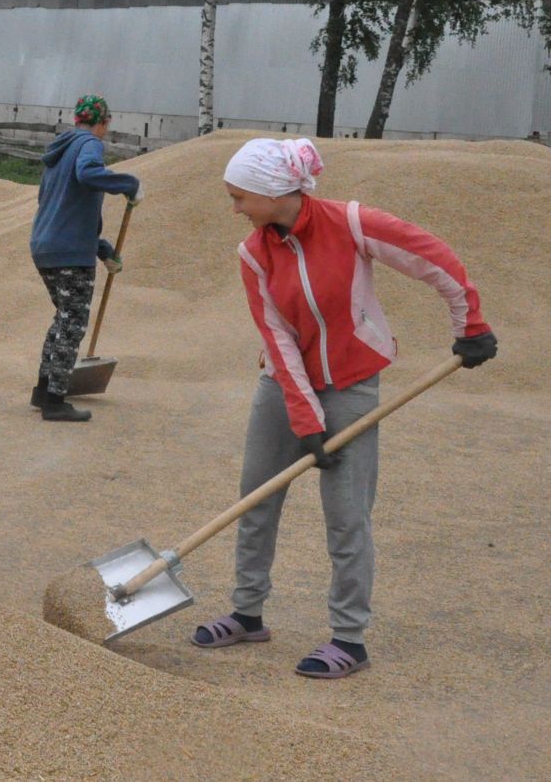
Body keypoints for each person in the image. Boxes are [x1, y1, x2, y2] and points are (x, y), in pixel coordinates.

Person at [188, 138, 497, 678]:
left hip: (352, 385)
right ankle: (247, 612)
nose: (235, 208)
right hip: (282, 385)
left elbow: (433, 258)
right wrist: (305, 419)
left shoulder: (351, 223)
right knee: (256, 497)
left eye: (240, 197)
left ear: (273, 192)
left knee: (346, 513)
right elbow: (277, 337)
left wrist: (469, 325)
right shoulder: (253, 253)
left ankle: (349, 638)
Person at [28, 94, 141, 423]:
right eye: (107, 125)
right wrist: (128, 185)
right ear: (102, 123)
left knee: (63, 319)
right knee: (72, 323)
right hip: (69, 254)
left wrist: (102, 250)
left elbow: (63, 209)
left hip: (45, 247)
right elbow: (89, 173)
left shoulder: (58, 151)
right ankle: (55, 401)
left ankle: (44, 389)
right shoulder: (89, 144)